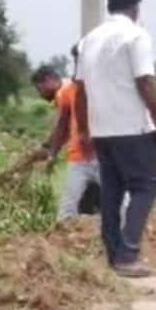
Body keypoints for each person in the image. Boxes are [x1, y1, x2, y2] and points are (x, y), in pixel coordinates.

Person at [74, 0, 156, 278]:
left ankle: (113, 254)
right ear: (136, 6)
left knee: (112, 192)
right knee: (148, 184)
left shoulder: (88, 40)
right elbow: (145, 82)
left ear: (109, 3)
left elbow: (79, 90)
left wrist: (83, 130)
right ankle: (128, 254)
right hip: (131, 126)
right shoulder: (136, 36)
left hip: (101, 129)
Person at [31, 62, 103, 220]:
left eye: (40, 89)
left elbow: (61, 126)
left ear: (49, 80)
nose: (41, 95)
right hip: (97, 150)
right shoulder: (73, 87)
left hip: (84, 154)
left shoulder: (63, 91)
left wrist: (50, 151)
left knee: (70, 208)